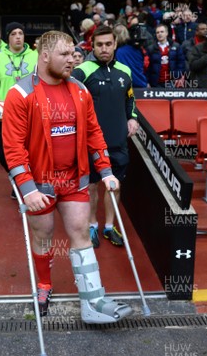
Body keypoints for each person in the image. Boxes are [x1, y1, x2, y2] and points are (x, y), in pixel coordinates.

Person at [2, 30, 132, 323]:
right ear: (45, 55)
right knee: (43, 236)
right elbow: (13, 147)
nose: (72, 59)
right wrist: (28, 189)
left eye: (74, 53)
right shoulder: (20, 94)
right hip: (40, 184)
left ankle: (93, 301)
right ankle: (44, 286)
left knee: (81, 232)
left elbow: (95, 133)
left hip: (74, 180)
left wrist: (107, 171)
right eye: (64, 54)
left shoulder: (80, 90)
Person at [71, 25, 138, 248]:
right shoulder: (82, 71)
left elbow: (130, 99)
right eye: (99, 45)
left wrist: (132, 117)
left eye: (108, 44)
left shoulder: (125, 72)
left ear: (115, 44)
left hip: (118, 141)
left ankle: (110, 226)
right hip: (89, 143)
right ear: (92, 46)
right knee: (91, 187)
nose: (104, 49)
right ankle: (92, 226)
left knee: (114, 186)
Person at [0, 22, 38, 181]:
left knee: (31, 148)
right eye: (13, 34)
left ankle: (27, 180)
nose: (18, 37)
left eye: (20, 33)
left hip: (31, 111)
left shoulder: (36, 56)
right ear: (7, 38)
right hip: (4, 113)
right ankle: (18, 176)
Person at [148, 23, 185, 87]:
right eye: (157, 32)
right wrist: (148, 81)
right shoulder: (150, 48)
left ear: (166, 33)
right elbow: (148, 67)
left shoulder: (176, 46)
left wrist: (177, 76)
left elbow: (181, 63)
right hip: (156, 83)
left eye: (162, 32)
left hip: (171, 82)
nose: (160, 34)